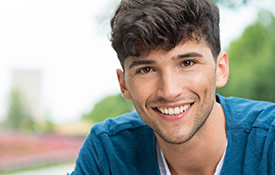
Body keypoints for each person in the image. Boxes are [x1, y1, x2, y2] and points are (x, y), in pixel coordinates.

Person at [70, 0, 275, 174]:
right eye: (146, 69)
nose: (169, 91)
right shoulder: (107, 153)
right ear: (124, 85)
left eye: (187, 63)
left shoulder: (269, 141)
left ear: (220, 69)